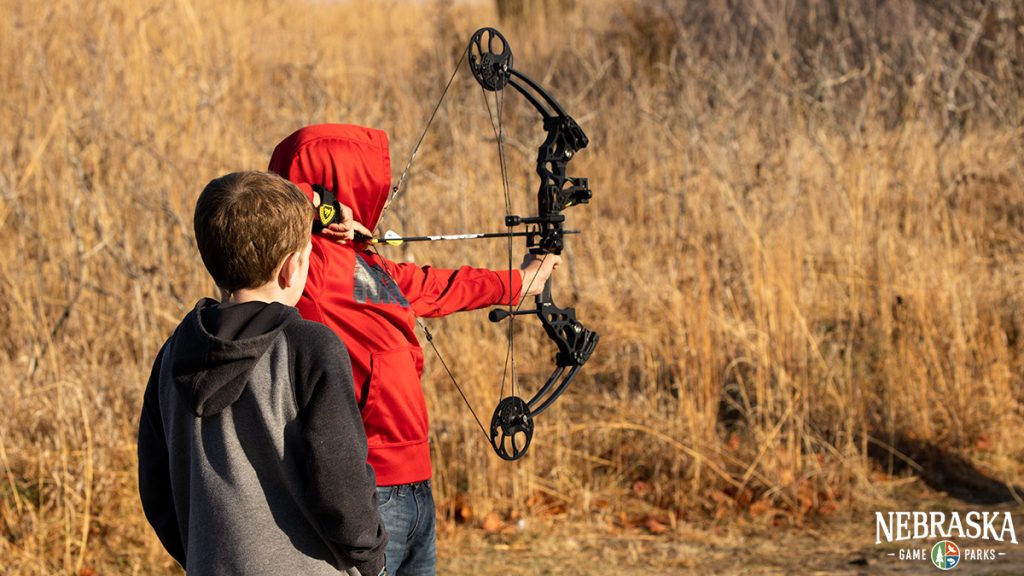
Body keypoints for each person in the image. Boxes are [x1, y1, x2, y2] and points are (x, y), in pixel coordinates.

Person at [268, 124, 560, 575]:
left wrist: (521, 281)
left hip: (417, 483)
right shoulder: (309, 264)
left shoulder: (372, 264)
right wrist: (325, 207)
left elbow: (433, 285)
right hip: (368, 485)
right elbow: (262, 199)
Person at [137, 171, 388, 576]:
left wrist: (205, 554)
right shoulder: (311, 346)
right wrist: (371, 557)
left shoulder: (172, 352)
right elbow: (341, 485)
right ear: (292, 268)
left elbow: (156, 488)